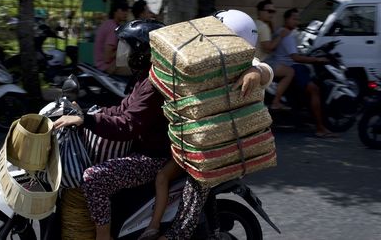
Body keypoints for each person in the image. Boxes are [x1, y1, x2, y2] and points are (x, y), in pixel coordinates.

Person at [54, 16, 272, 240]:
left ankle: (104, 236)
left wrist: (87, 121)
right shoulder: (148, 77)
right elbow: (122, 109)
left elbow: (128, 124)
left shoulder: (154, 83)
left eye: (127, 47)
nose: (122, 53)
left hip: (155, 157)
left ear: (141, 51)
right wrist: (90, 113)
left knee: (93, 178)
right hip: (158, 150)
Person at [138, 9, 274, 240]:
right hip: (193, 142)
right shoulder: (209, 63)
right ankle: (152, 227)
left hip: (217, 151)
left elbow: (265, 71)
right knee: (162, 176)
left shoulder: (244, 63)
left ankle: (175, 235)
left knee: (194, 191)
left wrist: (255, 71)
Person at [271, 8, 336, 137]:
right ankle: (320, 128)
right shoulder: (287, 36)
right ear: (287, 19)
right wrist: (316, 60)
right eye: (294, 18)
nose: (296, 21)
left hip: (287, 65)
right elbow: (296, 57)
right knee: (315, 90)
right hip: (292, 67)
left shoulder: (280, 31)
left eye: (298, 19)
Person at [256, 0, 294, 110]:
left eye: (273, 11)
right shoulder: (264, 27)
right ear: (260, 12)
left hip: (256, 59)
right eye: (269, 11)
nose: (271, 14)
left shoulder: (256, 23)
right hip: (263, 62)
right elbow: (268, 48)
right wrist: (281, 36)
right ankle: (276, 102)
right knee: (290, 72)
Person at [93, 0, 131, 76]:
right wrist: (125, 48)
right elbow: (107, 57)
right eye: (123, 10)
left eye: (127, 10)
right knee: (138, 73)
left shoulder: (109, 23)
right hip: (107, 67)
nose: (126, 13)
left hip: (104, 65)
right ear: (115, 11)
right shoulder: (112, 28)